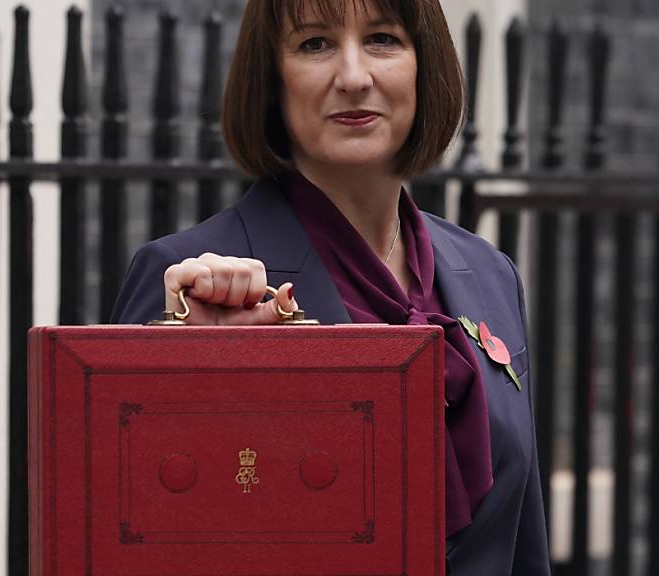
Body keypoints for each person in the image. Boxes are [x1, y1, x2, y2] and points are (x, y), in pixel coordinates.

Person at [111, 0, 550, 573]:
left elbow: (524, 547)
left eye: (383, 39)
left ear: (425, 67)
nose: (353, 76)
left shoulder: (491, 274)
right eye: (314, 44)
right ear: (272, 81)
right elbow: (129, 539)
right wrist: (187, 359)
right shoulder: (188, 283)